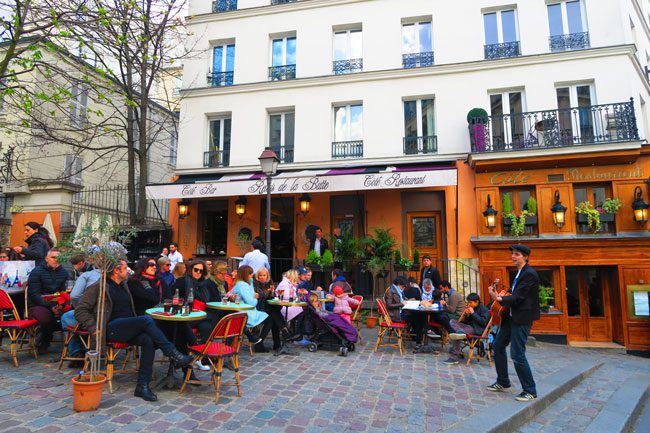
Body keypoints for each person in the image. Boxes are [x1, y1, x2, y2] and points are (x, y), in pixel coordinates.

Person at [75, 258, 194, 402]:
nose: (128, 270)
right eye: (125, 268)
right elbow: (80, 310)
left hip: (126, 327)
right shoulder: (99, 286)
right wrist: (93, 327)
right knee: (146, 319)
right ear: (116, 271)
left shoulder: (124, 285)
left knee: (148, 340)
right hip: (110, 328)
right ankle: (172, 353)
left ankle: (142, 386)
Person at [487, 244, 540, 402]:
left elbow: (519, 297)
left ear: (525, 257)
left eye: (516, 254)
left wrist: (499, 298)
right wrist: (500, 295)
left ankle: (530, 390)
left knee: (517, 353)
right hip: (511, 317)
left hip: (522, 318)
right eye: (513, 254)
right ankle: (503, 381)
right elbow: (513, 293)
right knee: (497, 345)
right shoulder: (519, 273)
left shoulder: (529, 274)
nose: (513, 256)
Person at [26, 249, 68, 353]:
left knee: (73, 314)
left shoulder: (64, 272)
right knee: (46, 317)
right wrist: (50, 306)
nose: (56, 260)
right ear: (46, 259)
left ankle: (71, 347)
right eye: (53, 257)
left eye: (58, 258)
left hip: (56, 303)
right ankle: (44, 342)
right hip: (37, 304)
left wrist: (61, 306)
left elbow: (64, 292)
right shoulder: (36, 272)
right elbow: (34, 295)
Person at [61, 264, 101, 365]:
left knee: (66, 317)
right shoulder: (121, 278)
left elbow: (74, 296)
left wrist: (80, 309)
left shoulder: (88, 275)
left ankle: (75, 351)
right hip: (110, 317)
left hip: (91, 318)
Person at [443, 293, 491, 365]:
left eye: (470, 302)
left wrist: (473, 313)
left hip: (475, 329)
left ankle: (454, 357)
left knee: (458, 334)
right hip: (466, 327)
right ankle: (460, 332)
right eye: (468, 302)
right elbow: (464, 322)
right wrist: (465, 315)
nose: (469, 304)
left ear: (477, 302)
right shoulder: (471, 308)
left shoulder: (484, 309)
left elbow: (483, 322)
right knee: (452, 321)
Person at [231, 265, 268, 350]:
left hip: (248, 310)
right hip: (245, 311)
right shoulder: (242, 285)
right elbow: (251, 302)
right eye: (250, 274)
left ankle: (259, 342)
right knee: (270, 318)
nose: (252, 275)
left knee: (272, 317)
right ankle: (258, 343)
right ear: (245, 275)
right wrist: (256, 298)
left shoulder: (248, 282)